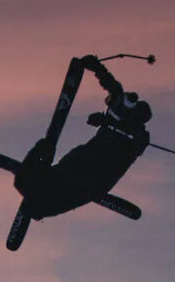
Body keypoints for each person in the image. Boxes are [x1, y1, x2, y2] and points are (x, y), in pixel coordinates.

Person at [14, 55, 153, 220]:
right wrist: (95, 66)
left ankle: (42, 172)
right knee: (30, 188)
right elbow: (109, 83)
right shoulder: (118, 100)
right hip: (78, 170)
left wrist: (106, 121)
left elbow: (133, 150)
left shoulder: (139, 135)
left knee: (33, 193)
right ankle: (42, 169)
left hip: (92, 175)